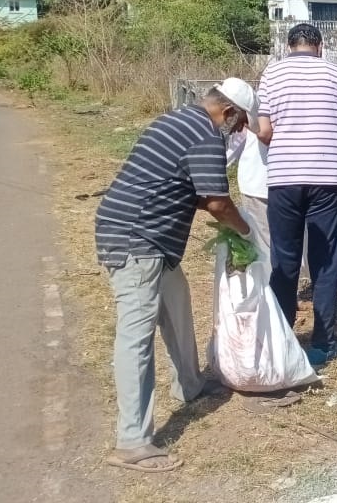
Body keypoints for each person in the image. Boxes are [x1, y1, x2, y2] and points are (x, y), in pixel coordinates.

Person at [94, 78, 256, 472]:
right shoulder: (205, 137)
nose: (238, 132)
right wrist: (247, 232)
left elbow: (189, 190)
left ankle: (190, 384)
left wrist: (218, 212)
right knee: (137, 334)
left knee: (178, 306)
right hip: (137, 241)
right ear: (229, 112)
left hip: (148, 239)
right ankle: (132, 442)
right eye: (239, 124)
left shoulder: (179, 119)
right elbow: (217, 202)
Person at [256, 23, 337, 367]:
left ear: (289, 46)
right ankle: (321, 345)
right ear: (321, 46)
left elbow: (265, 131)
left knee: (283, 261)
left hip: (283, 179)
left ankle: (283, 341)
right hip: (328, 178)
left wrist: (287, 144)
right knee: (325, 262)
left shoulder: (271, 74)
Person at [225, 124, 270, 245]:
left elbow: (228, 155)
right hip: (299, 182)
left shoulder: (252, 111)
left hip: (257, 183)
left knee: (264, 244)